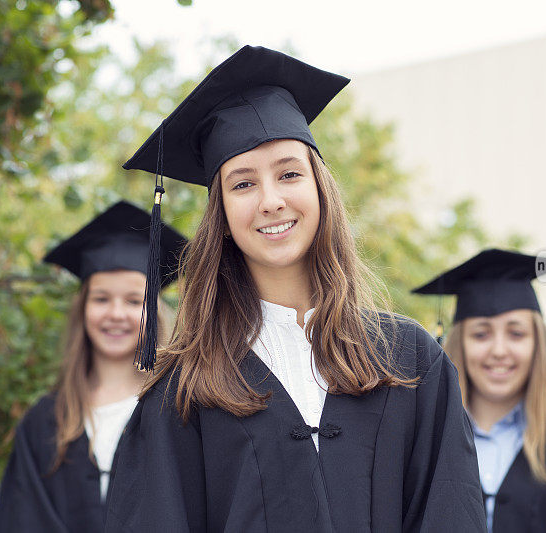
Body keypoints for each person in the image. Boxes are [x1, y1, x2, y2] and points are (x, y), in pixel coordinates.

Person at [103, 45, 486, 532]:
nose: (271, 201)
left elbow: (452, 512)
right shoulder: (183, 390)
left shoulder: (408, 361)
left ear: (320, 189)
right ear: (220, 215)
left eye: (289, 174)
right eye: (242, 184)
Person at [0, 201, 185, 533]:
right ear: (82, 309)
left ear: (154, 311)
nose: (115, 314)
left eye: (133, 300)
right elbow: (20, 519)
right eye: (101, 299)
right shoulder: (44, 423)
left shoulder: (180, 410)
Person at [413, 248, 546, 533]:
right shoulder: (424, 446)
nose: (499, 351)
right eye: (481, 334)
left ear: (538, 346)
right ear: (459, 344)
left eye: (516, 333)